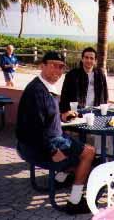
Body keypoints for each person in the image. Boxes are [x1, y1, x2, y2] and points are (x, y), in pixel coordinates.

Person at [16, 51, 95, 214]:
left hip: (43, 141)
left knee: (79, 154)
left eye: (61, 67)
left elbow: (43, 118)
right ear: (42, 66)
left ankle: (62, 178)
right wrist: (52, 151)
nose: (57, 70)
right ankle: (74, 201)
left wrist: (61, 116)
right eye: (53, 65)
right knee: (89, 153)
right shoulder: (38, 92)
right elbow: (35, 128)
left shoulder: (43, 87)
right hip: (41, 147)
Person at [60, 47, 108, 121]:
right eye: (86, 57)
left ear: (95, 61)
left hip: (95, 112)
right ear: (82, 59)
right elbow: (64, 96)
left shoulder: (100, 74)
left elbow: (105, 94)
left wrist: (104, 109)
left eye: (91, 58)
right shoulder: (72, 75)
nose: (89, 60)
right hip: (77, 113)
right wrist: (65, 113)